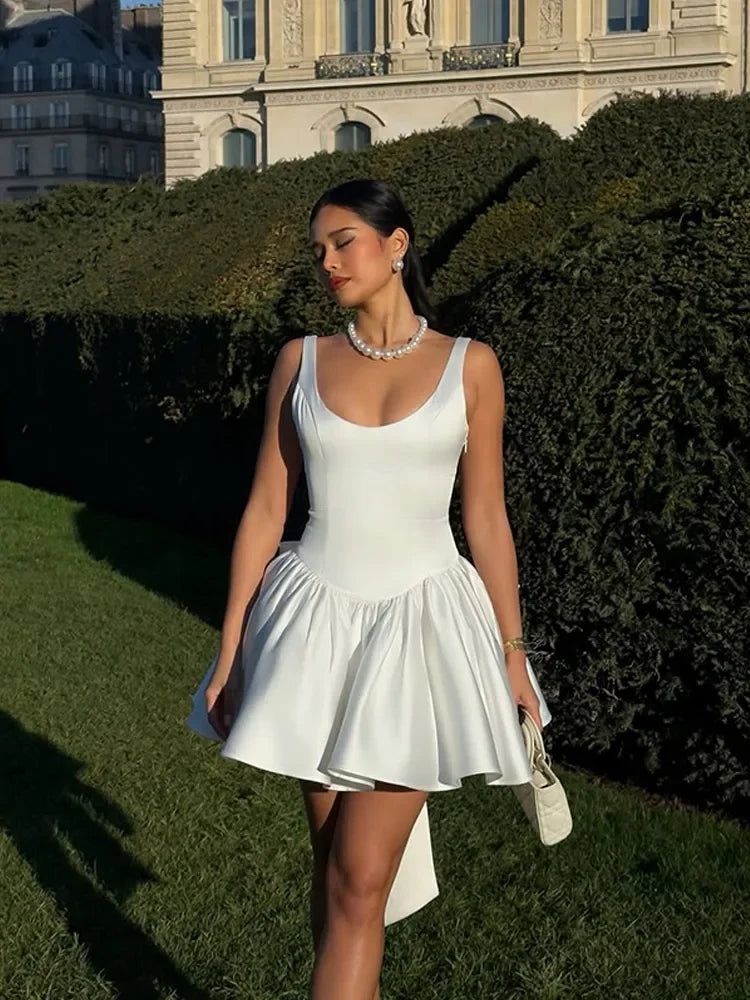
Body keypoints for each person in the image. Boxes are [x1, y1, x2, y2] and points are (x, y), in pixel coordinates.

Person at [186, 177, 552, 1000]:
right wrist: (229, 651)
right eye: (317, 248)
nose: (326, 261)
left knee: (356, 884)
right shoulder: (301, 361)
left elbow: (486, 519)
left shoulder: (471, 366)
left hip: (421, 631)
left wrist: (514, 652)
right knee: (336, 883)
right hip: (313, 629)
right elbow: (266, 510)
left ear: (397, 245)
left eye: (342, 241)